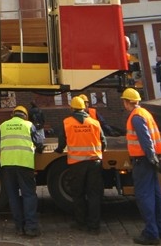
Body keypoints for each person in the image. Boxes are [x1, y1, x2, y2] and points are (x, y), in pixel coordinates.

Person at [121, 88, 161, 245]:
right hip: (150, 160)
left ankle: (151, 233)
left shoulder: (136, 117)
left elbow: (145, 139)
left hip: (143, 160)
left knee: (144, 196)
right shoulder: (144, 113)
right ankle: (160, 230)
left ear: (128, 102)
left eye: (124, 102)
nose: (124, 105)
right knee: (155, 195)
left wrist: (151, 157)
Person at [54, 96, 105, 234]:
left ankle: (80, 222)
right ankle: (94, 226)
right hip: (94, 162)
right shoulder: (94, 123)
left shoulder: (67, 122)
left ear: (71, 108)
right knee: (94, 194)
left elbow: (62, 142)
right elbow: (103, 141)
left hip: (77, 164)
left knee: (78, 194)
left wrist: (58, 150)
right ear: (84, 107)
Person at [0, 105, 42, 237]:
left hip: (7, 164)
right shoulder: (28, 125)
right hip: (24, 163)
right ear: (25, 115)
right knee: (28, 195)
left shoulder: (3, 125)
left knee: (13, 196)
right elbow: (39, 142)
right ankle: (31, 227)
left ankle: (19, 227)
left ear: (13, 114)